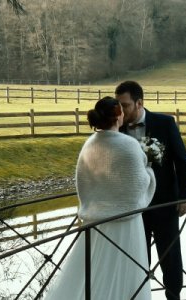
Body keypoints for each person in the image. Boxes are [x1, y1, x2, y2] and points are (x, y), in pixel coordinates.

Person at [44, 96, 156, 300]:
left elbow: (83, 181)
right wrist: (150, 173)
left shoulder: (89, 144)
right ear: (118, 116)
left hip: (95, 223)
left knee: (92, 271)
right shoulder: (129, 145)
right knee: (127, 270)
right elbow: (137, 185)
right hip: (125, 224)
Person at [115, 81, 186, 300]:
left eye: (125, 105)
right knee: (137, 256)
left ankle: (174, 296)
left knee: (170, 255)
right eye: (118, 105)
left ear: (139, 103)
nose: (120, 111)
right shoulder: (117, 128)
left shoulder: (164, 123)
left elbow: (182, 161)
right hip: (133, 206)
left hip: (164, 202)